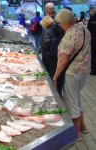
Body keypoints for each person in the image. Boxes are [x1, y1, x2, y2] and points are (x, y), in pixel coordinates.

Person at [53, 9, 91, 140]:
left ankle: (76, 133)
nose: (59, 25)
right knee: (77, 98)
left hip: (72, 72)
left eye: (60, 23)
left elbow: (63, 61)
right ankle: (83, 126)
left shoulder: (70, 35)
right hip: (84, 71)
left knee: (71, 101)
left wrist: (55, 76)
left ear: (67, 23)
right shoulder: (84, 29)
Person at [38, 16, 63, 81]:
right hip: (57, 54)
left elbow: (46, 42)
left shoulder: (47, 31)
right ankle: (54, 84)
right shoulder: (58, 29)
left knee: (47, 71)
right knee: (54, 71)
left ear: (45, 24)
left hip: (48, 55)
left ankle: (49, 85)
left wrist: (40, 50)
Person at [87, 9, 96, 75]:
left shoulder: (92, 18)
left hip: (93, 41)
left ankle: (94, 70)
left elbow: (88, 30)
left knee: (93, 55)